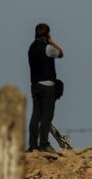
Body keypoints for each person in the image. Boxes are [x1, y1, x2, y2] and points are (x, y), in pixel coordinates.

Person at [28, 23, 63, 152]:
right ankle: (43, 144)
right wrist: (52, 42)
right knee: (46, 117)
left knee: (35, 115)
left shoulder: (31, 48)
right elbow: (60, 53)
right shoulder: (47, 48)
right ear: (47, 34)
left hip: (35, 85)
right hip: (47, 86)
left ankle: (32, 145)